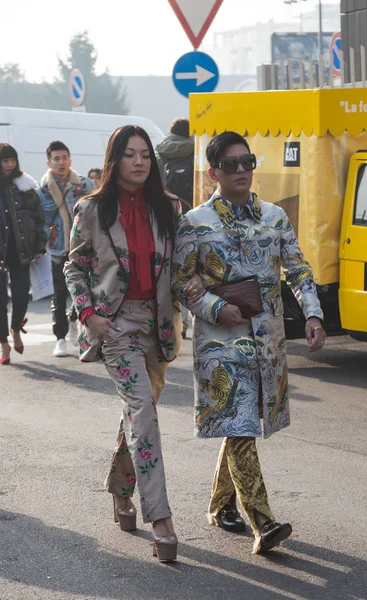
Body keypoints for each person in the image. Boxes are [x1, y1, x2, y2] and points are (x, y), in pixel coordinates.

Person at [172, 131, 326, 554]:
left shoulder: (275, 217)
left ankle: (221, 502)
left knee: (241, 423)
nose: (242, 170)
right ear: (213, 172)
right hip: (221, 346)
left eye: (248, 161)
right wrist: (214, 308)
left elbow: (297, 269)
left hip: (267, 344)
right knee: (239, 421)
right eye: (231, 164)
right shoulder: (195, 223)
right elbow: (181, 283)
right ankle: (263, 520)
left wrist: (312, 313)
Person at [64, 124, 195, 562]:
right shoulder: (92, 209)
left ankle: (120, 489)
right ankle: (161, 518)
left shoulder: (170, 208)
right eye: (130, 154)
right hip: (116, 327)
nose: (140, 162)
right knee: (143, 411)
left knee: (140, 416)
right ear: (114, 160)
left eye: (145, 155)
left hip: (159, 327)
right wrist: (89, 315)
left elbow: (184, 267)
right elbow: (74, 267)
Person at [37, 141, 93, 357]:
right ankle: (60, 337)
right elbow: (38, 220)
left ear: (70, 160)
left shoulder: (85, 185)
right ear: (49, 163)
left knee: (84, 291)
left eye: (64, 158)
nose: (61, 163)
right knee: (59, 295)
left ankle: (73, 321)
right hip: (56, 249)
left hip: (83, 247)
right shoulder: (41, 191)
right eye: (56, 159)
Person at [0, 143, 46, 365]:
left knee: (20, 296)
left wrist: (40, 247)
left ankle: (16, 327)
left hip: (20, 251)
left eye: (12, 160)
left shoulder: (25, 186)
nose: (9, 164)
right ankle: (3, 344)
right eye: (4, 160)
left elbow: (39, 220)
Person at [156, 118, 194, 339]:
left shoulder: (159, 153)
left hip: (165, 214)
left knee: (165, 267)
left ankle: (167, 318)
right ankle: (185, 321)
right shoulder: (195, 151)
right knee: (188, 267)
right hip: (190, 213)